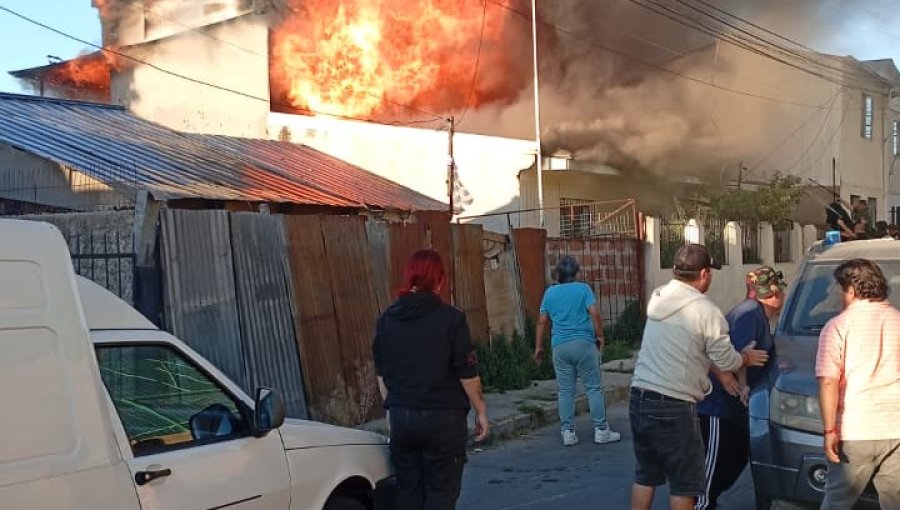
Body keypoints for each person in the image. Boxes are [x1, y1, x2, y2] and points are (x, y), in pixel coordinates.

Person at [629, 244, 770, 510]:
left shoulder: (658, 296)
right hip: (674, 402)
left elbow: (692, 348)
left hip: (639, 396)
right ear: (705, 274)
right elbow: (726, 359)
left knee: (645, 475)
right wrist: (746, 358)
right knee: (686, 483)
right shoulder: (706, 311)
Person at [372, 249, 489, 510]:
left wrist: (392, 408)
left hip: (403, 417)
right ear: (440, 279)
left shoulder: (387, 319)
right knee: (441, 494)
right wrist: (480, 411)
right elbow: (466, 373)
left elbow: (382, 373)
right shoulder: (452, 319)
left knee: (408, 493)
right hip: (443, 419)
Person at [694, 266, 787, 510]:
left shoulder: (758, 315)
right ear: (775, 293)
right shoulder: (749, 315)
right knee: (713, 466)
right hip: (717, 405)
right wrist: (736, 383)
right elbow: (731, 354)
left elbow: (746, 352)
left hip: (736, 405)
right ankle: (700, 503)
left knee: (735, 459)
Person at [816, 259, 900, 509]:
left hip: (856, 430)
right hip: (896, 429)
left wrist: (829, 431)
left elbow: (829, 381)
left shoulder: (837, 327)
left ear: (851, 290)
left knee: (837, 502)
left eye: (840, 289)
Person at [533, 255, 621, 446]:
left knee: (565, 390)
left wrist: (538, 347)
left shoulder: (550, 293)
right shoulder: (583, 289)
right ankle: (601, 430)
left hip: (560, 346)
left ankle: (568, 432)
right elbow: (595, 313)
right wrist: (600, 336)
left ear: (558, 274)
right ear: (577, 273)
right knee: (594, 388)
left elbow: (542, 321)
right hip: (584, 344)